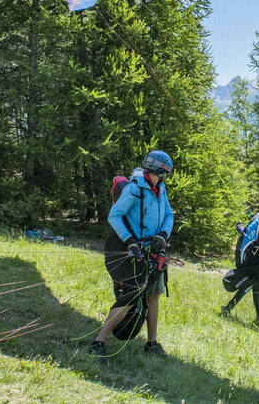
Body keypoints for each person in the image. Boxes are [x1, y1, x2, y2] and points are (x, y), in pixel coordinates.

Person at [89, 150, 174, 360]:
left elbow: (169, 215)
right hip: (135, 252)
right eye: (165, 172)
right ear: (158, 170)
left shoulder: (160, 190)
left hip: (154, 252)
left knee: (153, 296)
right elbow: (114, 216)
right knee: (130, 297)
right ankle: (98, 341)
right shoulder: (136, 189)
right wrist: (129, 241)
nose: (165, 176)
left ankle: (152, 343)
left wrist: (163, 236)